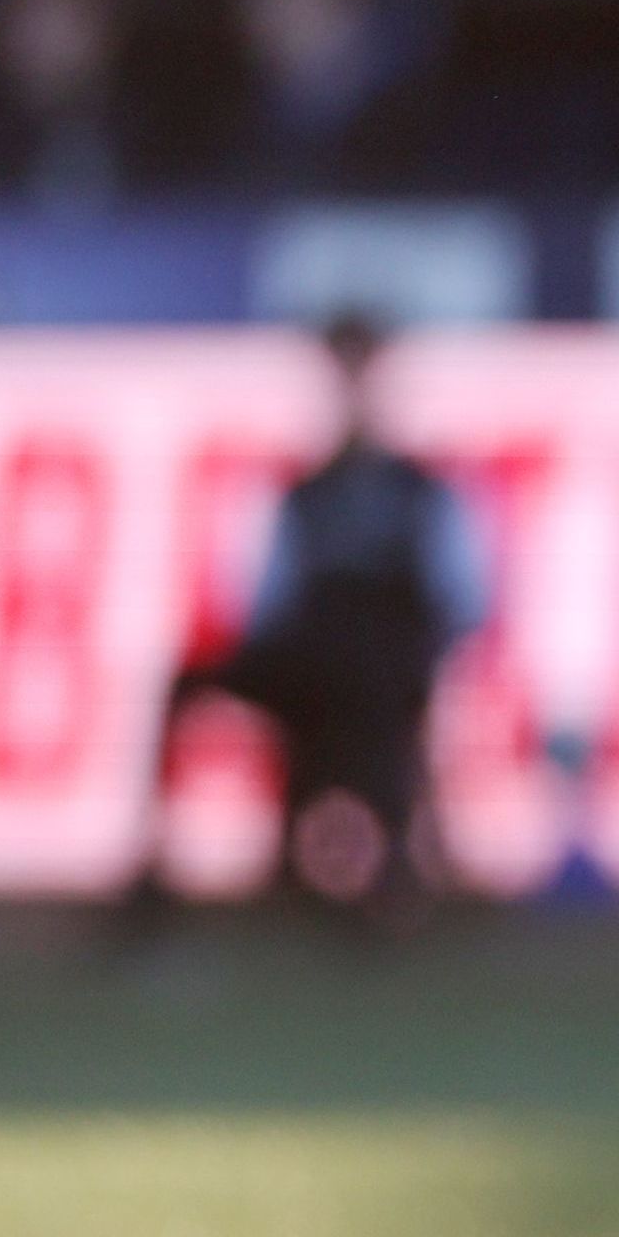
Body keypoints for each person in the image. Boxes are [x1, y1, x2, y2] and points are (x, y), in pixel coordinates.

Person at [123, 310, 479, 927]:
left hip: (386, 674)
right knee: (188, 683)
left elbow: (459, 602)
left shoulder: (421, 491)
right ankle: (155, 870)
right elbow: (269, 606)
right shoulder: (306, 490)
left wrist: (413, 658)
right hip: (311, 664)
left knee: (368, 680)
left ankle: (391, 874)